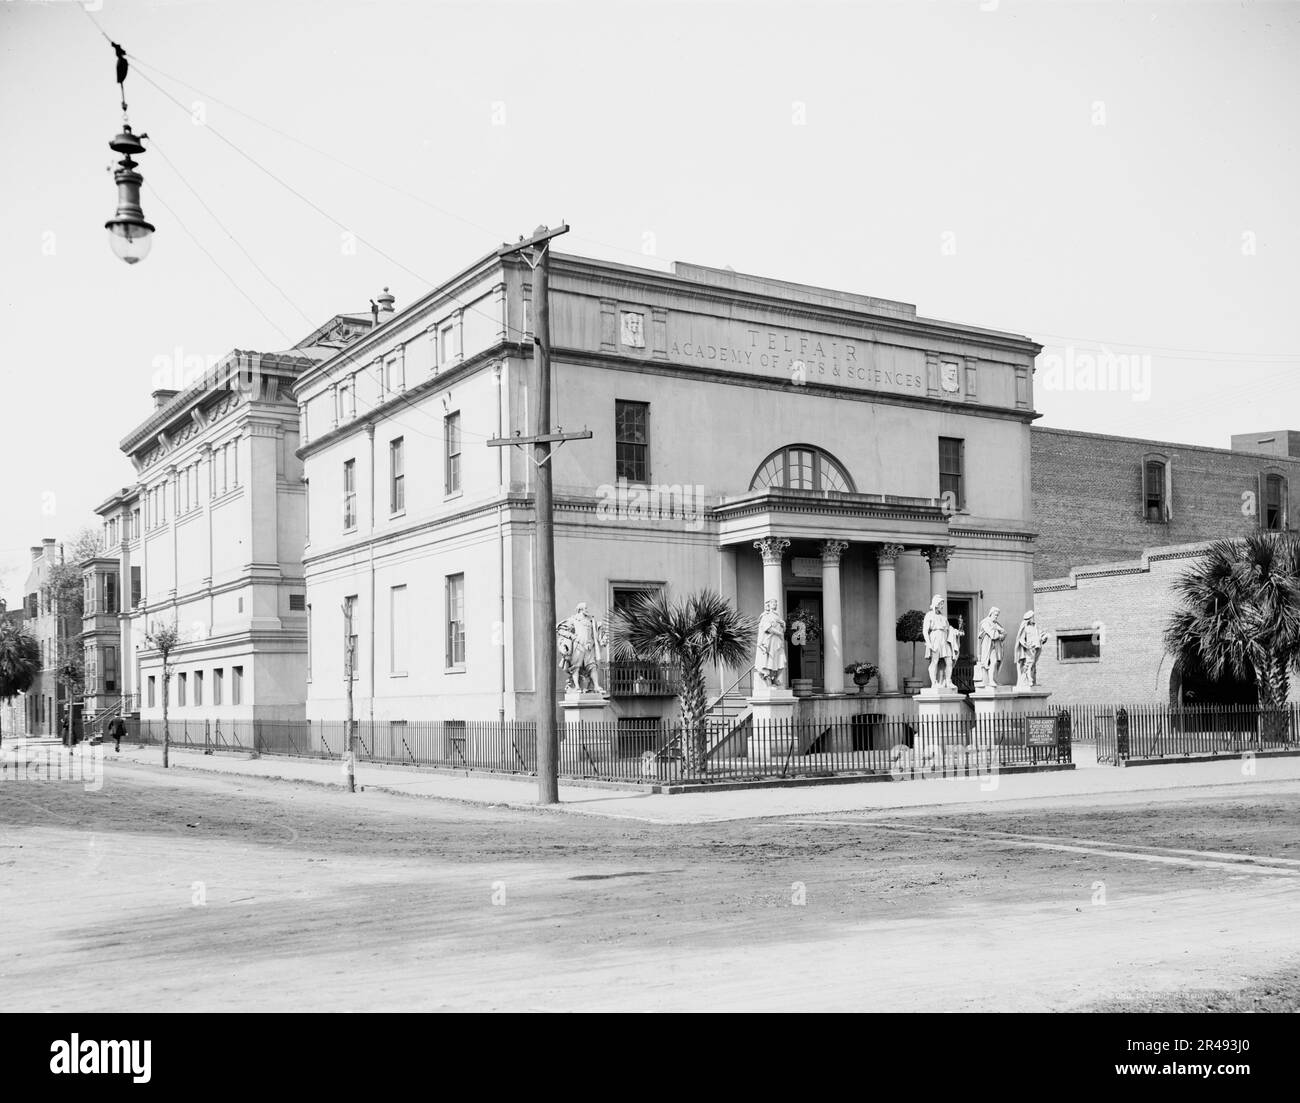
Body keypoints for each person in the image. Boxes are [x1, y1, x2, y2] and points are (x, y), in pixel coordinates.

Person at [922, 594, 957, 690]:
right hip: (935, 638)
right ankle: (934, 682)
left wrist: (955, 632)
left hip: (944, 639)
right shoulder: (929, 615)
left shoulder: (943, 617)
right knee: (935, 661)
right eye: (941, 604)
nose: (942, 606)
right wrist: (928, 643)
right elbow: (925, 630)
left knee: (949, 661)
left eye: (943, 604)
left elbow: (949, 629)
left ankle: (948, 681)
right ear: (936, 604)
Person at [755, 599, 788, 687]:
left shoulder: (777, 616)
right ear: (768, 605)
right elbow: (768, 628)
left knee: (782, 661)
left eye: (776, 603)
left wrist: (783, 625)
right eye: (773, 603)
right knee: (769, 661)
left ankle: (775, 678)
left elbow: (783, 629)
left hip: (778, 642)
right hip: (769, 641)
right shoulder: (765, 616)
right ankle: (768, 678)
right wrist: (779, 632)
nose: (775, 604)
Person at [1015, 610, 1048, 689]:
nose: (1033, 619)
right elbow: (1021, 638)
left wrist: (1044, 638)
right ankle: (1029, 679)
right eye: (1032, 617)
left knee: (1033, 663)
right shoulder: (1025, 627)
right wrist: (1025, 645)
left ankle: (1031, 679)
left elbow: (1040, 635)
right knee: (1029, 663)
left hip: (1037, 647)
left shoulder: (1035, 626)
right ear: (1029, 618)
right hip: (1030, 647)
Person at [976, 607, 1007, 688]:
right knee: (991, 662)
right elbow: (993, 635)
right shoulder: (985, 622)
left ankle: (994, 679)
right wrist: (1000, 633)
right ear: (991, 613)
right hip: (988, 646)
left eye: (997, 615)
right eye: (995, 615)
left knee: (996, 662)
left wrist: (1000, 631)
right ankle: (990, 681)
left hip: (996, 646)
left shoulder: (996, 624)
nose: (996, 617)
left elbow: (1005, 634)